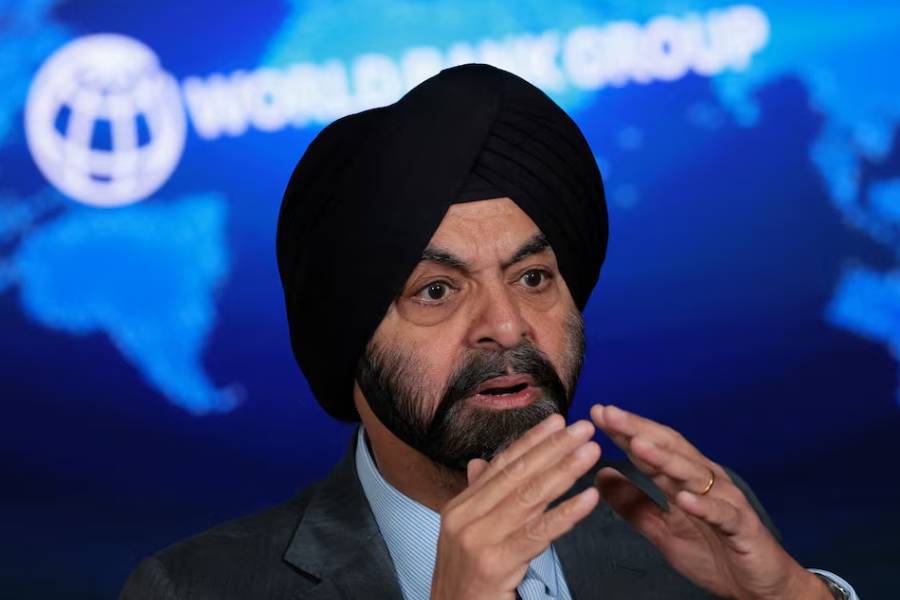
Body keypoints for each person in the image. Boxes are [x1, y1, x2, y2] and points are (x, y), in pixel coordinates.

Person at [120, 64, 857, 599]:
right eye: (437, 290)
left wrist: (792, 595)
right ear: (349, 338)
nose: (506, 326)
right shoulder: (194, 588)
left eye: (534, 278)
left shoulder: (687, 543)